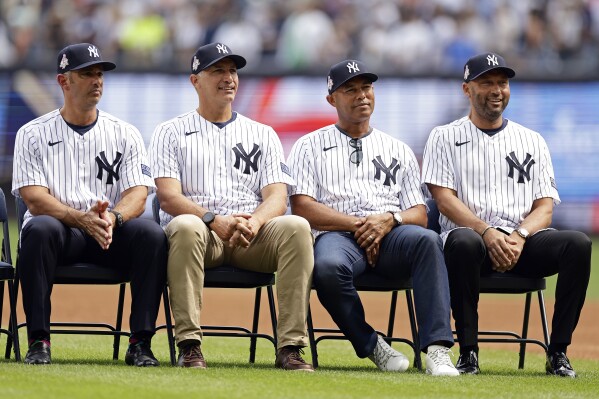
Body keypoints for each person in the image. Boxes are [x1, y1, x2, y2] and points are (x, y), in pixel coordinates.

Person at [422, 52, 591, 377]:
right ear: (467, 90)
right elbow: (443, 200)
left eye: (502, 82)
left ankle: (558, 352)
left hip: (521, 242)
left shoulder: (532, 140)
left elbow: (545, 207)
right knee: (463, 242)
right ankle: (468, 352)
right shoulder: (443, 136)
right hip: (470, 245)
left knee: (578, 245)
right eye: (486, 82)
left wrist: (519, 236)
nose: (497, 89)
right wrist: (487, 232)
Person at [287, 59, 460, 376]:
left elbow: (419, 214)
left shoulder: (398, 148)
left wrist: (389, 221)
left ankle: (437, 349)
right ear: (331, 99)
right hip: (337, 235)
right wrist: (362, 225)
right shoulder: (307, 146)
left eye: (366, 87)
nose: (361, 95)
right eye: (350, 89)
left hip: (392, 236)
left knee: (428, 241)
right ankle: (371, 344)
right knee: (326, 268)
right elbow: (302, 207)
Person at [148, 42, 314, 371]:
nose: (229, 78)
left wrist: (254, 221)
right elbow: (168, 197)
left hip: (252, 237)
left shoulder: (262, 133)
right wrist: (213, 220)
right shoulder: (170, 132)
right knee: (184, 225)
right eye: (218, 71)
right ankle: (189, 345)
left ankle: (291, 348)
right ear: (195, 81)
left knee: (297, 227)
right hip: (201, 235)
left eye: (233, 70)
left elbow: (278, 197)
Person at [12, 43, 168, 366]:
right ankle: (38, 341)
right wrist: (80, 218)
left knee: (152, 235)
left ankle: (141, 343)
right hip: (60, 233)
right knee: (38, 228)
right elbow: (34, 198)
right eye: (87, 74)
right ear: (63, 82)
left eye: (100, 73)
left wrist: (113, 217)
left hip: (108, 232)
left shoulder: (125, 132)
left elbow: (139, 193)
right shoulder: (31, 133)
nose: (97, 80)